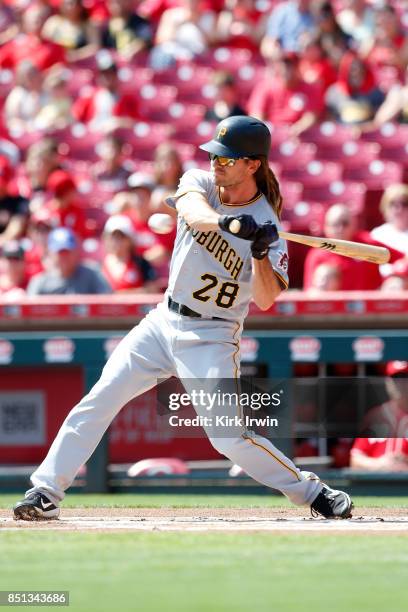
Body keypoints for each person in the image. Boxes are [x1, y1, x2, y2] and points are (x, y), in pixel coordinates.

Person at [13, 116, 353, 521]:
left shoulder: (269, 225)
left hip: (212, 334)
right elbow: (192, 211)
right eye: (216, 156)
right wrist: (229, 223)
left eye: (228, 159)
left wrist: (261, 252)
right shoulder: (201, 181)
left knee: (228, 437)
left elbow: (265, 297)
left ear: (253, 165)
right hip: (163, 321)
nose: (217, 163)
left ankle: (314, 492)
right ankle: (45, 490)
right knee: (100, 398)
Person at [303, 204, 393, 291]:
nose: (340, 228)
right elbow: (311, 292)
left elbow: (401, 259)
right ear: (326, 227)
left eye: (345, 223)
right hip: (334, 304)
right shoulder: (317, 255)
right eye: (335, 224)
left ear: (354, 224)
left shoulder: (367, 245)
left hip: (368, 304)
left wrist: (391, 280)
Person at [247, 53, 324, 136]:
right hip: (271, 134)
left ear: (297, 67)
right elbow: (256, 114)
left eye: (290, 65)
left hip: (300, 135)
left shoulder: (310, 89)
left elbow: (311, 115)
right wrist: (263, 131)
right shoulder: (265, 87)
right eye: (283, 65)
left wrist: (298, 128)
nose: (286, 69)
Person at [350, 361, 408, 471]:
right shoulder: (375, 416)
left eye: (404, 377)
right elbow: (355, 461)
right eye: (395, 378)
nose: (400, 383)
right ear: (387, 382)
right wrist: (380, 464)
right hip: (376, 485)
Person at [27, 227, 112, 296]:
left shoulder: (91, 275)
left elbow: (107, 301)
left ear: (76, 251)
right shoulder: (40, 283)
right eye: (60, 252)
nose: (64, 256)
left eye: (67, 251)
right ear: (50, 253)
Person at [101, 214, 158, 292]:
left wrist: (121, 296)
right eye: (112, 236)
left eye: (121, 236)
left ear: (130, 240)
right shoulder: (98, 267)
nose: (116, 241)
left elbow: (152, 290)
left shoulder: (141, 263)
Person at [325, 51, 385, 124]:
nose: (356, 72)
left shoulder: (375, 92)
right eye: (352, 69)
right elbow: (330, 117)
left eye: (360, 68)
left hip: (367, 131)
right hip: (343, 130)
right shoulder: (335, 92)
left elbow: (379, 118)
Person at [370, 184, 408, 256]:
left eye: (404, 204)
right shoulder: (377, 234)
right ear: (385, 206)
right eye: (393, 204)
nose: (399, 209)